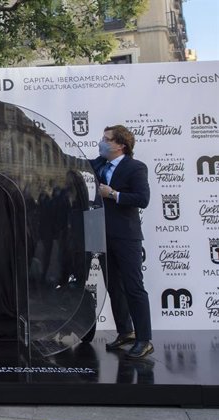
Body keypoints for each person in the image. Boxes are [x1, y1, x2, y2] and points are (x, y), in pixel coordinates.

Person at [94, 125, 153, 359]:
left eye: (106, 139)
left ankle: (144, 339)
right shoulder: (99, 163)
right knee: (114, 287)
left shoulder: (136, 167)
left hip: (126, 237)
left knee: (133, 287)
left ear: (121, 145)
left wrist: (113, 194)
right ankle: (125, 332)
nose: (102, 141)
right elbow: (74, 163)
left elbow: (143, 199)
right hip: (101, 234)